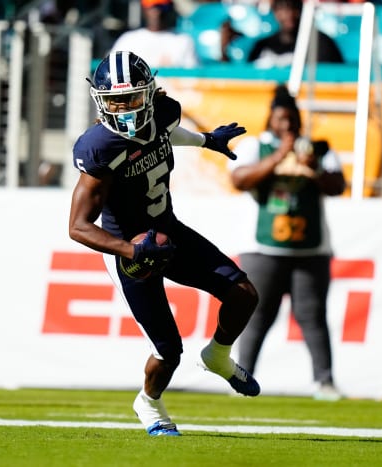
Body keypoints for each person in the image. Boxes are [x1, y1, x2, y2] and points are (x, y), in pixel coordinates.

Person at [68, 51, 260, 437]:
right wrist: (130, 250)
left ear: (150, 93)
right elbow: (78, 226)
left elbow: (169, 130)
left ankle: (218, 357)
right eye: (115, 100)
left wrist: (206, 141)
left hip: (167, 229)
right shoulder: (99, 147)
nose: (123, 109)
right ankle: (149, 403)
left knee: (243, 294)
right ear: (100, 101)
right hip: (128, 250)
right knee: (169, 350)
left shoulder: (164, 111)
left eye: (132, 97)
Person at [228, 84, 346, 401]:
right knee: (257, 314)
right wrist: (281, 154)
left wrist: (313, 169)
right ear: (271, 120)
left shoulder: (318, 149)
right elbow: (239, 179)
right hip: (263, 247)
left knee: (312, 315)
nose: (288, 125)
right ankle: (243, 376)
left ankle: (324, 381)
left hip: (310, 248)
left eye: (293, 119)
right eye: (282, 119)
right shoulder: (257, 146)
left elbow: (338, 185)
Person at [247, 0, 344, 67]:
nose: (289, 15)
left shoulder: (320, 43)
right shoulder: (262, 46)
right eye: (282, 9)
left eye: (294, 8)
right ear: (275, 12)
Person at [109, 0, 198, 68]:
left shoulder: (183, 40)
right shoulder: (128, 40)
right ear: (144, 9)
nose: (157, 12)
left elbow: (192, 78)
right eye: (152, 7)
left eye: (161, 7)